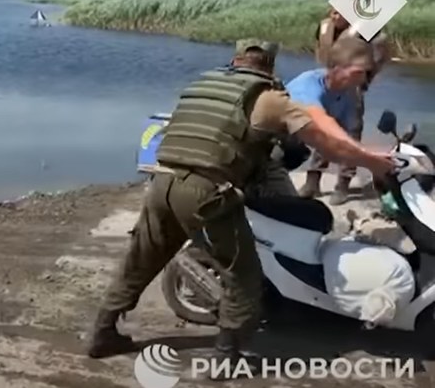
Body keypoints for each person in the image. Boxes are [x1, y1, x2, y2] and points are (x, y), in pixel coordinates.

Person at [87, 39, 394, 376]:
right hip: (205, 191)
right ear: (269, 67)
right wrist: (375, 164)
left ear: (236, 61)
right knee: (243, 275)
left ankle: (102, 334)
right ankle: (226, 358)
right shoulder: (271, 98)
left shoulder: (203, 85)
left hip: (162, 181)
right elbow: (327, 144)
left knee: (140, 261)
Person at [302, 8, 392, 203]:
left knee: (351, 131)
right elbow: (319, 47)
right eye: (332, 12)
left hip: (352, 86)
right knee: (323, 129)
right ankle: (313, 180)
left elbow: (383, 53)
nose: (335, 17)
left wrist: (366, 78)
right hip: (327, 82)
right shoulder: (325, 25)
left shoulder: (365, 29)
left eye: (339, 13)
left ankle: (343, 184)